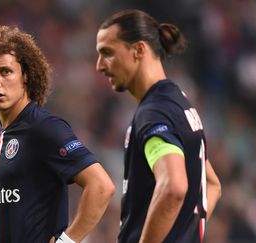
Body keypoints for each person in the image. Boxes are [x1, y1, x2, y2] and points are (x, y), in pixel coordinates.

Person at [0, 25, 115, 243]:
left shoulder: (44, 128)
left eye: (5, 71)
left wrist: (67, 241)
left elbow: (101, 185)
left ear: (26, 76)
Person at [95, 9, 221, 243]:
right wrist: (185, 235)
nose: (100, 66)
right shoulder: (178, 103)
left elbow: (173, 186)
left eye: (108, 53)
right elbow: (212, 185)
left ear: (139, 50)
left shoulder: (154, 114)